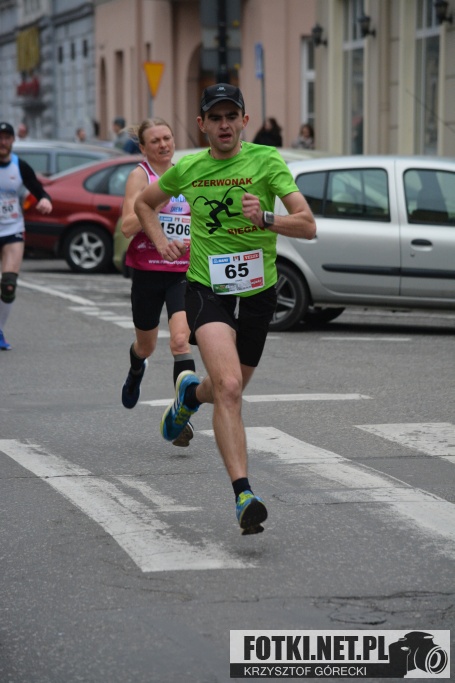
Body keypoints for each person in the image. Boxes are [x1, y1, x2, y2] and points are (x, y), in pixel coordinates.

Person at [134, 83, 316, 534]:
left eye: (231, 116)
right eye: (215, 118)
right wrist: (161, 241)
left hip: (258, 293)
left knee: (222, 390)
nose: (224, 125)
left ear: (244, 120)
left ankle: (188, 396)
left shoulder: (267, 161)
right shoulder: (189, 167)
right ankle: (243, 495)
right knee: (231, 388)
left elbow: (308, 225)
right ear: (202, 125)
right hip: (206, 290)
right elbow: (144, 203)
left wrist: (267, 218)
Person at [120, 117, 196, 447]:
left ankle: (181, 416)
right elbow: (126, 227)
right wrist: (156, 204)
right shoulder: (140, 176)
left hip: (181, 272)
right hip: (147, 272)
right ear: (143, 147)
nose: (163, 145)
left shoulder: (187, 174)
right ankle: (137, 368)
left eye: (167, 138)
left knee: (180, 341)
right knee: (146, 345)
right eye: (155, 141)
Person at [0, 122, 52, 350]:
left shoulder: (19, 166)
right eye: (0, 138)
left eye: (7, 138)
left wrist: (45, 200)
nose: (3, 142)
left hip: (12, 229)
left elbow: (39, 190)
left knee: (8, 285)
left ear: (13, 140)